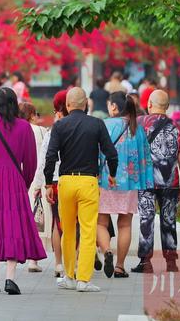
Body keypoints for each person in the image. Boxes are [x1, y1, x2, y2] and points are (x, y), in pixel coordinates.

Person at [0, 87, 46, 295]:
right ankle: (10, 279)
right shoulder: (25, 128)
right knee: (12, 226)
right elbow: (31, 161)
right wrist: (25, 182)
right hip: (15, 181)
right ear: (15, 103)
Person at [45, 87, 119, 293]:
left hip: (66, 181)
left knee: (67, 231)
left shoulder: (60, 126)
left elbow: (51, 156)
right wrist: (112, 173)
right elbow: (111, 153)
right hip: (88, 182)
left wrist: (47, 183)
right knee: (87, 231)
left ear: (67, 105)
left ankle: (69, 276)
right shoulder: (96, 124)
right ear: (86, 103)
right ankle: (83, 280)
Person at [97, 92, 153, 278]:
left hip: (105, 181)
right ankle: (120, 267)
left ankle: (107, 251)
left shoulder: (104, 124)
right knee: (125, 225)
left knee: (101, 223)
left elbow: (96, 153)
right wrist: (146, 182)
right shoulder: (137, 128)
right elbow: (146, 159)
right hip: (130, 183)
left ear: (114, 107)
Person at [132, 90, 180, 273]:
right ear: (167, 106)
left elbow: (132, 152)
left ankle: (145, 263)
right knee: (169, 221)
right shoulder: (176, 127)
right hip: (170, 183)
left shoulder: (139, 124)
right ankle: (171, 263)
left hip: (146, 183)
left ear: (149, 104)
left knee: (146, 220)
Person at [31, 90, 69, 278]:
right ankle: (75, 262)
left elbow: (44, 159)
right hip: (77, 178)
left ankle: (58, 264)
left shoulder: (53, 131)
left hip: (54, 180)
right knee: (75, 223)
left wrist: (39, 185)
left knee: (57, 222)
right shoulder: (84, 125)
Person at [18, 102, 48, 273]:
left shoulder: (14, 130)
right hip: (39, 179)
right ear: (31, 115)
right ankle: (33, 259)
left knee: (24, 218)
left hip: (20, 178)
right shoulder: (42, 131)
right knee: (38, 218)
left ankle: (20, 254)